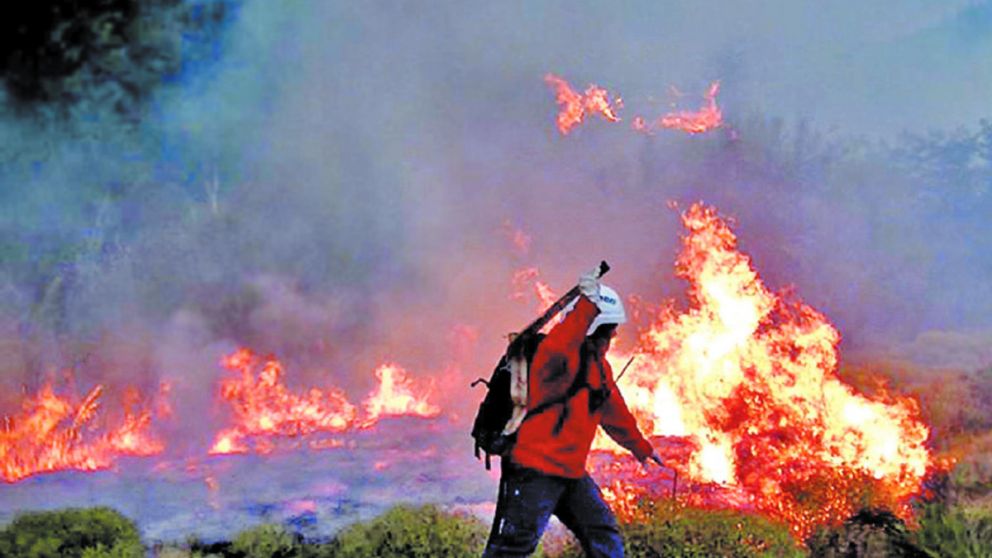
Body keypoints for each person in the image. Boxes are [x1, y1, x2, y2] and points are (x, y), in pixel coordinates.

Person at [483, 268, 664, 557]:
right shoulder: (554, 360)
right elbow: (562, 341)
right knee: (514, 548)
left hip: (571, 473)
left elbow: (614, 413)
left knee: (603, 534)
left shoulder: (599, 368)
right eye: (610, 329)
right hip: (534, 470)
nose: (614, 335)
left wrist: (640, 448)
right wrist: (588, 304)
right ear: (594, 329)